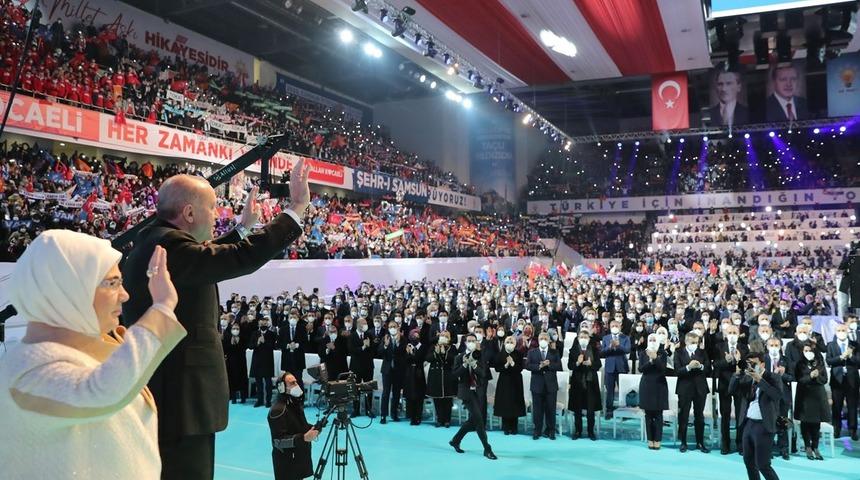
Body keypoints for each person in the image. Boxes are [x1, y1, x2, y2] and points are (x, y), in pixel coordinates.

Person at [121, 160, 310, 479]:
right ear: (189, 213)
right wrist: (296, 208)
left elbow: (204, 258)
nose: (217, 214)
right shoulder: (169, 247)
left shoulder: (161, 242)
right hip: (181, 403)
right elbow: (236, 258)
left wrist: (242, 229)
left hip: (175, 399)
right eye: (212, 208)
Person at [0, 231, 183, 478]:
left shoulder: (80, 349)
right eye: (112, 283)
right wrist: (162, 308)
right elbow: (100, 392)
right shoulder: (25, 369)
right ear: (68, 289)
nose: (125, 294)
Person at [729, 351, 783, 480]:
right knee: (748, 462)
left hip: (764, 425)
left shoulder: (773, 377)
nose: (751, 366)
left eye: (754, 363)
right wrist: (737, 374)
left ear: (762, 364)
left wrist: (760, 380)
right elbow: (731, 390)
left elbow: (777, 396)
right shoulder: (746, 378)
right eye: (749, 363)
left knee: (763, 464)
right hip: (748, 423)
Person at [448, 334, 497, 460]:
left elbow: (483, 374)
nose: (471, 342)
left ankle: (455, 440)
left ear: (476, 342)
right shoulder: (459, 357)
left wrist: (474, 365)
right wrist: (464, 365)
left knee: (473, 421)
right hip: (466, 392)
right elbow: (454, 374)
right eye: (469, 340)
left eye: (473, 341)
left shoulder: (480, 356)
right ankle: (487, 449)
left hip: (478, 391)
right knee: (479, 420)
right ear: (465, 342)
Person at [268, 373, 319, 480]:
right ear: (282, 388)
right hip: (286, 463)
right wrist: (303, 438)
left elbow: (298, 426)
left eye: (296, 382)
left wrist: (313, 428)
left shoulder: (294, 403)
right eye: (292, 383)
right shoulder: (278, 410)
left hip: (298, 457)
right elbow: (278, 441)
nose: (297, 385)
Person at [714, 324, 748, 454]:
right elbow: (716, 364)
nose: (732, 335)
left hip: (740, 385)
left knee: (740, 415)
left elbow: (747, 366)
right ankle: (725, 443)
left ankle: (740, 443)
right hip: (725, 385)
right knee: (725, 415)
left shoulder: (744, 347)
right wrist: (727, 361)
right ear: (725, 334)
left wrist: (739, 360)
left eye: (735, 332)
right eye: (730, 332)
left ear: (739, 334)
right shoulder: (719, 347)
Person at [675, 332, 711, 453]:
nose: (694, 344)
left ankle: (700, 442)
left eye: (696, 342)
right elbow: (677, 371)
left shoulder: (702, 352)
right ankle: (683, 442)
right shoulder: (679, 353)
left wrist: (700, 366)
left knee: (699, 416)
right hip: (684, 389)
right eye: (692, 342)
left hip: (700, 388)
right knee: (684, 416)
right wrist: (688, 367)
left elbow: (708, 368)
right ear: (686, 342)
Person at [794, 343, 829, 460]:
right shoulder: (799, 364)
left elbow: (824, 379)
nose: (808, 352)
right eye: (806, 350)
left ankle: (815, 447)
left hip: (818, 396)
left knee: (816, 423)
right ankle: (807, 446)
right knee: (805, 423)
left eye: (810, 350)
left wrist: (816, 376)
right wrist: (810, 376)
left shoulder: (820, 363)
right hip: (804, 396)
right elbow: (799, 379)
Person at [826, 323, 859, 440]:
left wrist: (850, 356)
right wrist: (840, 357)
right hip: (837, 379)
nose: (841, 332)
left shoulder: (855, 345)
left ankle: (853, 429)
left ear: (847, 332)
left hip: (852, 380)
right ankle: (836, 429)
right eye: (839, 330)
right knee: (837, 406)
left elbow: (858, 361)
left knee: (852, 405)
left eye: (843, 330)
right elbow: (829, 360)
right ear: (836, 332)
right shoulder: (831, 345)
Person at [527, 331, 563, 440]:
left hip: (550, 385)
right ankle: (537, 430)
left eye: (545, 339)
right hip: (537, 384)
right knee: (537, 409)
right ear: (538, 340)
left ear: (549, 341)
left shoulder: (555, 352)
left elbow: (559, 366)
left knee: (551, 409)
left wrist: (549, 364)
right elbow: (528, 365)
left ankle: (551, 430)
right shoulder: (532, 352)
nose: (543, 340)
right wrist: (539, 366)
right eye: (541, 338)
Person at [568, 329, 602, 440]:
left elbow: (598, 365)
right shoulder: (573, 350)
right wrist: (577, 363)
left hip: (591, 383)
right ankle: (578, 431)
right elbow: (570, 366)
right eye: (581, 337)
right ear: (578, 339)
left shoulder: (594, 350)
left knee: (590, 409)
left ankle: (590, 431)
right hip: (577, 383)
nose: (583, 339)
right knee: (577, 409)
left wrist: (591, 364)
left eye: (585, 337)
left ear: (588, 339)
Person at [764, 337, 793, 460]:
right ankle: (767, 448)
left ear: (780, 346)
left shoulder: (786, 360)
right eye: (771, 345)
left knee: (782, 421)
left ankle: (784, 448)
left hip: (783, 395)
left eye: (776, 345)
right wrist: (772, 374)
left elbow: (791, 377)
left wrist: (782, 374)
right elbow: (759, 376)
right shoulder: (763, 359)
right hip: (768, 394)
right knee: (768, 421)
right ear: (767, 346)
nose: (774, 348)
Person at [639, 333, 669, 449]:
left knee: (658, 415)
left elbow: (663, 369)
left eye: (654, 340)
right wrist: (650, 361)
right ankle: (650, 439)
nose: (652, 342)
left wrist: (655, 358)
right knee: (648, 415)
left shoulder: (663, 353)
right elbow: (641, 369)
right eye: (650, 340)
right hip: (646, 385)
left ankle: (657, 439)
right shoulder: (643, 353)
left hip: (659, 385)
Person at [493, 335, 526, 435]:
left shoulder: (519, 354)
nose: (509, 344)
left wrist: (512, 364)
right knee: (505, 402)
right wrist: (506, 365)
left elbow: (520, 368)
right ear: (504, 343)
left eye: (512, 342)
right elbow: (497, 368)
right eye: (508, 342)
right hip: (504, 381)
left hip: (516, 382)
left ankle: (514, 427)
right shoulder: (500, 354)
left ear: (515, 344)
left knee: (515, 403)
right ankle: (506, 427)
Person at [600, 320, 631, 419]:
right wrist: (609, 347)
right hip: (609, 367)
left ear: (620, 327)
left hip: (622, 366)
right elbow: (602, 352)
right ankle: (609, 410)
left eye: (616, 325)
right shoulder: (606, 338)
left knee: (623, 390)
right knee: (610, 390)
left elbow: (627, 350)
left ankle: (623, 411)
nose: (614, 327)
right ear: (609, 327)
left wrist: (618, 345)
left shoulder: (625, 338)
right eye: (612, 326)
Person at [427, 330, 457, 427]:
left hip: (448, 376)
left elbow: (454, 359)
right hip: (436, 375)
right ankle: (439, 419)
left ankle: (447, 420)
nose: (443, 337)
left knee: (448, 400)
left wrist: (445, 354)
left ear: (449, 338)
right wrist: (436, 353)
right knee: (437, 399)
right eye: (442, 335)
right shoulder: (433, 346)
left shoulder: (452, 348)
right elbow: (428, 358)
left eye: (446, 336)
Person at [379, 321, 407, 424]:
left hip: (398, 370)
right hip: (387, 370)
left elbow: (404, 353)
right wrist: (385, 346)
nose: (392, 328)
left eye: (394, 326)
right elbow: (380, 352)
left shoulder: (403, 339)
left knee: (396, 393)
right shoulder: (385, 338)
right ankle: (383, 415)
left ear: (398, 327)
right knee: (386, 392)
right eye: (390, 327)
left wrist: (398, 344)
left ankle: (394, 414)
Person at [348, 317, 375, 418]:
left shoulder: (369, 335)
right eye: (363, 323)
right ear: (358, 324)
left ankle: (369, 409)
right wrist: (363, 347)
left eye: (366, 323)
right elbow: (351, 350)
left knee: (369, 388)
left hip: (368, 366)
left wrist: (368, 347)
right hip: (356, 366)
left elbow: (373, 350)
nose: (365, 325)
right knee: (356, 389)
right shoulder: (352, 336)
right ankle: (356, 410)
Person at [250, 316, 278, 408]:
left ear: (268, 324)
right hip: (257, 360)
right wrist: (258, 342)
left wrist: (264, 342)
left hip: (267, 360)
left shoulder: (272, 334)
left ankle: (268, 400)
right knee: (258, 382)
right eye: (261, 323)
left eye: (265, 323)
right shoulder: (255, 333)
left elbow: (273, 346)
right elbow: (250, 345)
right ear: (259, 324)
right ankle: (260, 400)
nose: (263, 324)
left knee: (268, 382)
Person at [404, 327, 430, 425]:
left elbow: (420, 358)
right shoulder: (407, 347)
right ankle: (411, 416)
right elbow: (405, 360)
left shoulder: (423, 347)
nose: (415, 337)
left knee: (419, 396)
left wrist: (412, 354)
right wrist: (409, 354)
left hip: (419, 373)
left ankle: (418, 416)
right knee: (410, 396)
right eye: (413, 335)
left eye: (417, 335)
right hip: (409, 374)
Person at [223, 320, 248, 404]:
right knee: (232, 379)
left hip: (241, 362)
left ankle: (243, 397)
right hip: (231, 362)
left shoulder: (243, 338)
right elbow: (225, 350)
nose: (235, 330)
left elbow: (245, 347)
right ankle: (233, 397)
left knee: (242, 379)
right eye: (234, 328)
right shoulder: (227, 339)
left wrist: (238, 342)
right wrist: (231, 343)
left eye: (237, 329)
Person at [278, 312, 308, 383]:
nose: (292, 319)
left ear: (298, 319)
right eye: (291, 317)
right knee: (288, 381)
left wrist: (297, 345)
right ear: (288, 319)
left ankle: (300, 390)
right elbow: (279, 344)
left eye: (294, 317)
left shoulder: (302, 328)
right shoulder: (283, 329)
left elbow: (306, 343)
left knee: (298, 380)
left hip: (298, 358)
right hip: (287, 358)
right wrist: (287, 345)